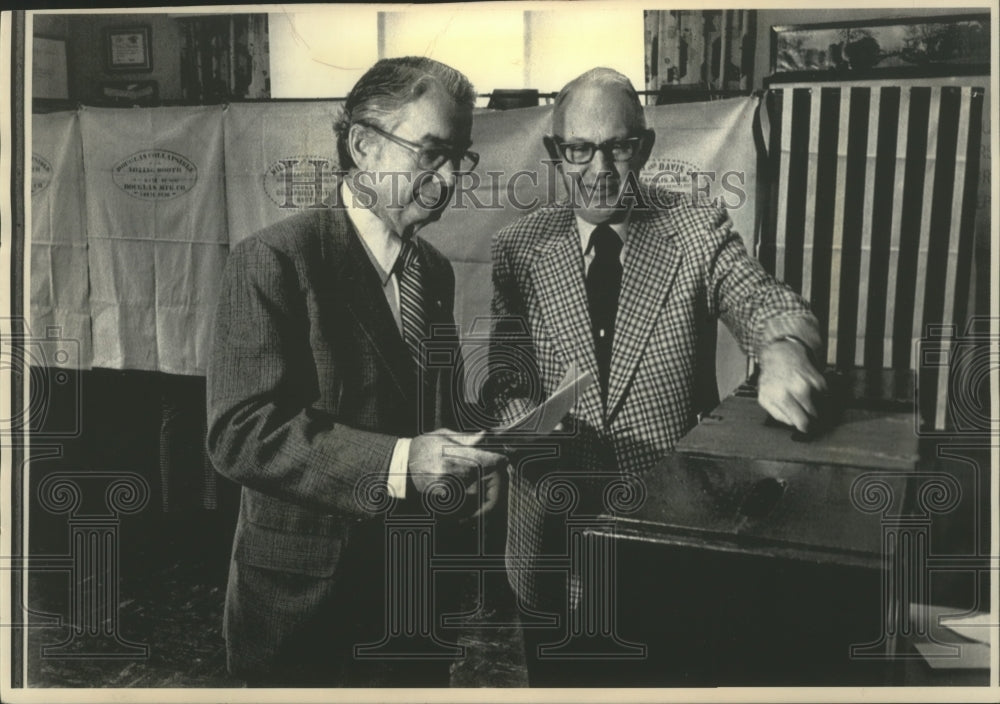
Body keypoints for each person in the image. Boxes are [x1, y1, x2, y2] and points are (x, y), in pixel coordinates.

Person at [486, 67, 826, 685]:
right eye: (579, 150)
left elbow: (759, 298)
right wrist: (527, 431)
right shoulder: (518, 247)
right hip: (551, 544)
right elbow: (506, 380)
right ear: (554, 154)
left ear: (643, 146)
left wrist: (781, 347)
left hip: (666, 534)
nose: (600, 170)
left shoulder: (694, 227)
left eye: (618, 147)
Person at [207, 57, 506, 687]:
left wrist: (466, 458)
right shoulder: (274, 260)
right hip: (306, 607)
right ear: (364, 146)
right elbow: (239, 433)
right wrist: (404, 462)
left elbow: (424, 414)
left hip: (412, 599)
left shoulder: (435, 272)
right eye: (430, 153)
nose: (450, 177)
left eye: (459, 156)